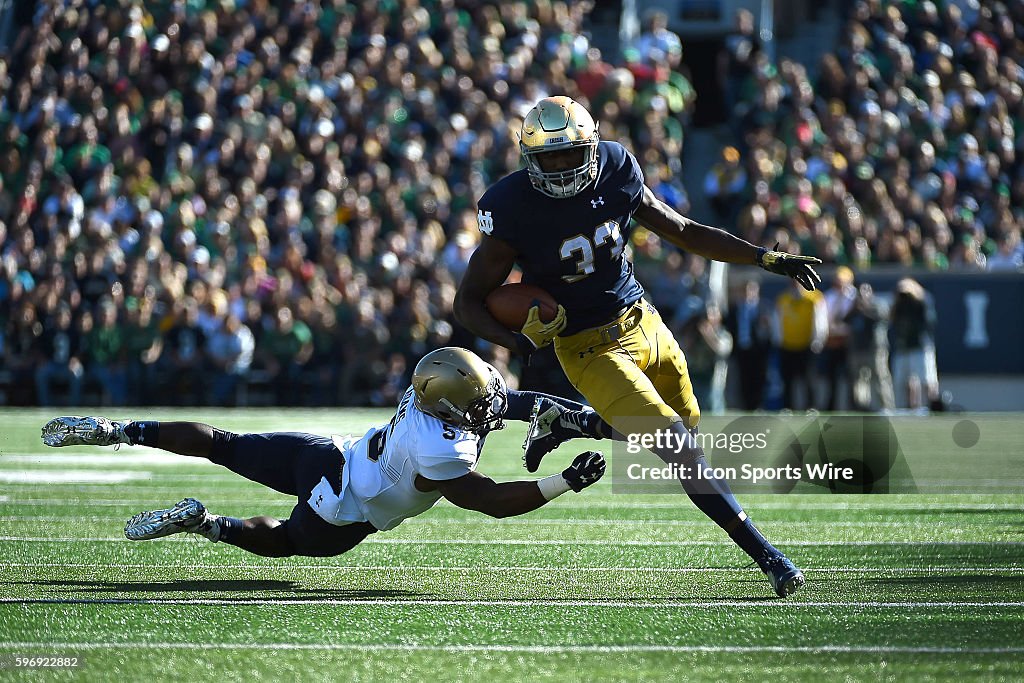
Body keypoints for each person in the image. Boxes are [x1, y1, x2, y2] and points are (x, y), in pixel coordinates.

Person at [454, 96, 821, 597]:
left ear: (591, 146)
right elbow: (468, 303)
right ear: (528, 159)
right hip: (586, 348)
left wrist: (765, 257)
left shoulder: (616, 167)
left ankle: (568, 420)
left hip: (643, 321)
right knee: (678, 447)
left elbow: (684, 231)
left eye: (570, 156)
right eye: (549, 159)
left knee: (683, 428)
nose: (561, 170)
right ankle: (767, 555)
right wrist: (515, 342)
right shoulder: (511, 206)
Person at [40, 348, 606, 558]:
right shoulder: (442, 449)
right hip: (347, 506)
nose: (490, 406)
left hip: (331, 453)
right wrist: (564, 481)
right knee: (286, 543)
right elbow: (492, 502)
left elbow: (513, 401)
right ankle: (207, 522)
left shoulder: (430, 389)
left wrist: (580, 416)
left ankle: (118, 429)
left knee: (223, 444)